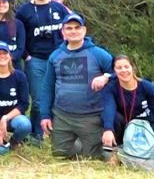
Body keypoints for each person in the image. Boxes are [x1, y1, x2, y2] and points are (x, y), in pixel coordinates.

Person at [40, 13, 114, 160]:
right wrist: (45, 115)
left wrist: (106, 77)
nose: (73, 31)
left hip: (91, 115)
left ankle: (90, 144)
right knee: (60, 154)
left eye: (77, 28)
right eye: (69, 28)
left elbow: (119, 72)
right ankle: (77, 143)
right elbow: (47, 87)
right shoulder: (55, 56)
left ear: (84, 30)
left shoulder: (98, 53)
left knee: (93, 157)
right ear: (63, 32)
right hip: (62, 115)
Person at [16, 0, 68, 141]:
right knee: (38, 99)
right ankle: (36, 135)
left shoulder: (59, 8)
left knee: (60, 96)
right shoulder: (24, 10)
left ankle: (58, 133)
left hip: (59, 58)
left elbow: (73, 29)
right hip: (36, 60)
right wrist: (26, 55)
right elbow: (16, 33)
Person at [102, 55, 154, 164]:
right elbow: (108, 108)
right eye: (119, 68)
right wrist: (108, 129)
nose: (123, 70)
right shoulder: (111, 88)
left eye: (126, 66)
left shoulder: (148, 87)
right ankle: (116, 153)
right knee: (113, 118)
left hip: (147, 125)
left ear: (133, 68)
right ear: (114, 71)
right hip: (125, 127)